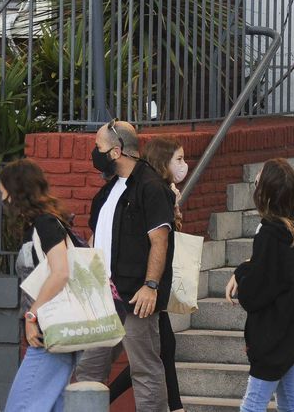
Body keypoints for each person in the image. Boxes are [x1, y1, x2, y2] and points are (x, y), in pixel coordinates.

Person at [74, 120, 175, 412]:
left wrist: (151, 285)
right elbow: (97, 238)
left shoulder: (151, 186)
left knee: (144, 370)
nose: (95, 153)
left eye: (99, 148)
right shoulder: (106, 193)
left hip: (135, 296)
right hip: (104, 298)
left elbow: (160, 241)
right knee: (88, 373)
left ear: (117, 151)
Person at [224, 158, 294, 412]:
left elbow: (256, 292)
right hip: (289, 329)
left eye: (258, 179)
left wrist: (241, 274)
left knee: (252, 406)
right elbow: (271, 273)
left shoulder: (270, 234)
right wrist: (245, 269)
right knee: (290, 403)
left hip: (271, 335)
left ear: (266, 193)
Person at [108, 136, 187, 411]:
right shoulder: (152, 190)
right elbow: (155, 241)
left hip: (151, 288)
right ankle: (174, 407)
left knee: (155, 354)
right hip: (144, 289)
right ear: (161, 161)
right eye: (178, 159)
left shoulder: (160, 191)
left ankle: (174, 406)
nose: (184, 165)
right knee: (153, 356)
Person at [1, 159, 77, 412]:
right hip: (52, 333)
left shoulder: (45, 224)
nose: (2, 199)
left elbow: (61, 272)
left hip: (50, 331)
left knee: (21, 407)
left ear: (17, 191)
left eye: (3, 192)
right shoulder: (40, 225)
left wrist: (32, 315)